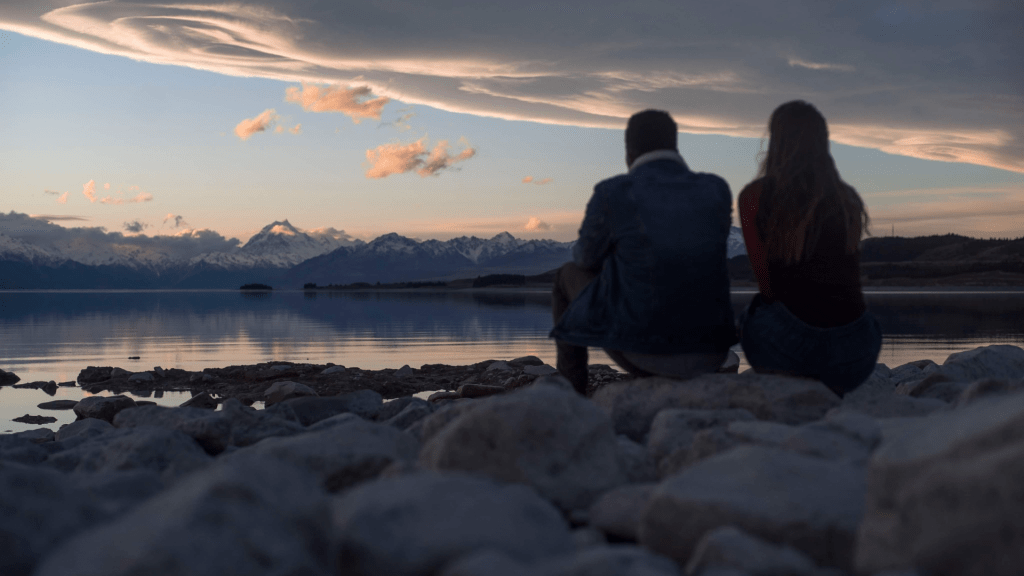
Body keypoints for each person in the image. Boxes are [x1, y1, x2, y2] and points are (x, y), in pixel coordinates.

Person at [549, 109, 737, 395]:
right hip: (711, 353)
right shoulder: (716, 189)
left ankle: (572, 393)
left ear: (629, 152)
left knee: (567, 276)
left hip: (644, 353)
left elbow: (585, 258)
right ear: (675, 146)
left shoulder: (614, 192)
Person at [737, 100, 881, 397]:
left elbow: (767, 289)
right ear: (822, 142)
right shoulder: (848, 199)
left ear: (776, 140)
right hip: (855, 355)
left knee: (751, 314)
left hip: (790, 350)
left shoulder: (754, 196)